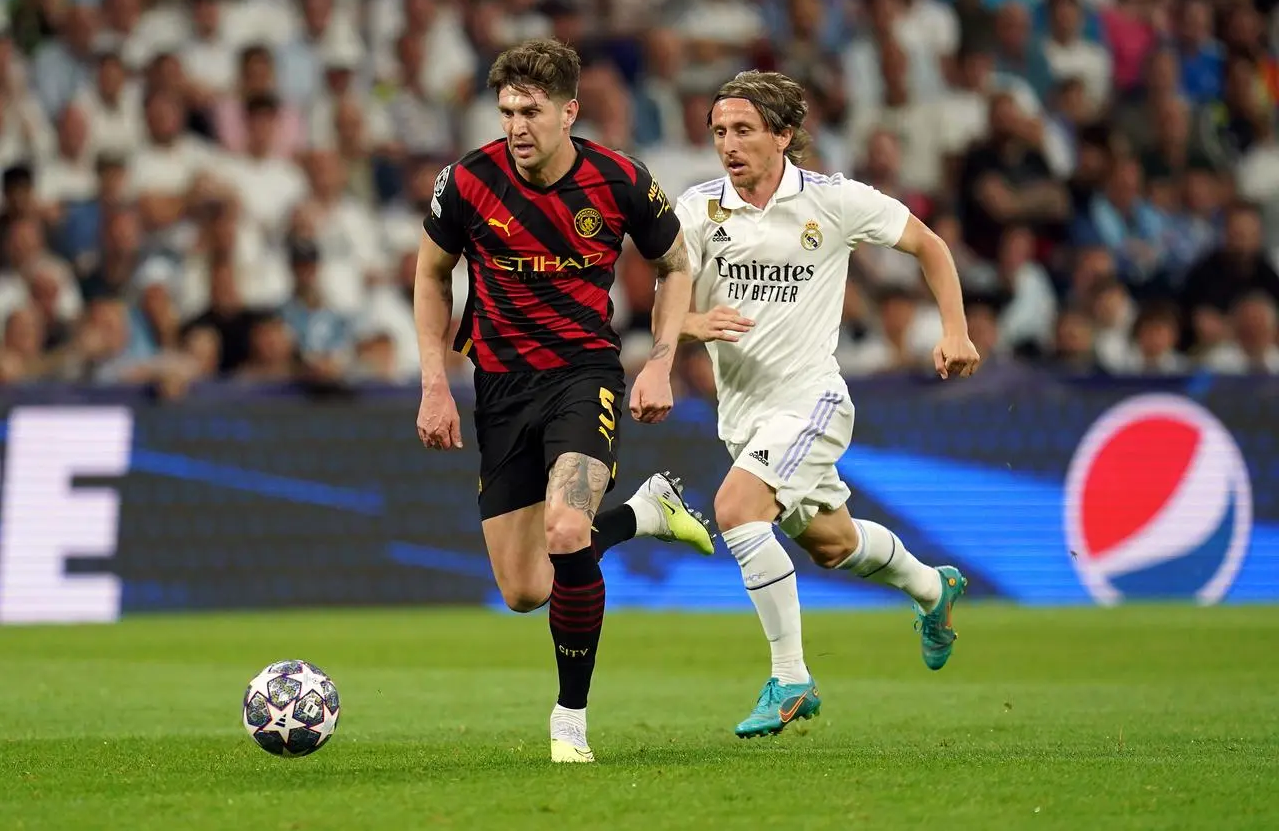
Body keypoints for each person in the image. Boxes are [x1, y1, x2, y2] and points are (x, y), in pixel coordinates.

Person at [413, 39, 713, 764]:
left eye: (533, 110)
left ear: (569, 111)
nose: (517, 125)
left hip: (585, 376)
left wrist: (661, 361)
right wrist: (433, 381)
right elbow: (431, 275)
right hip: (499, 387)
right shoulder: (467, 182)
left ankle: (569, 719)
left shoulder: (618, 181)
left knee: (567, 524)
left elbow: (675, 265)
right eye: (508, 110)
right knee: (524, 588)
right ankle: (644, 513)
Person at [671, 71, 981, 738]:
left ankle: (791, 675)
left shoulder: (834, 201)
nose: (729, 143)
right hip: (744, 415)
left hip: (811, 400)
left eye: (745, 130)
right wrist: (683, 333)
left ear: (784, 135)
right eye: (720, 131)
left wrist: (955, 329)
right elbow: (671, 288)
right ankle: (933, 588)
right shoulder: (697, 209)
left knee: (735, 509)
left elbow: (929, 244)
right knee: (833, 544)